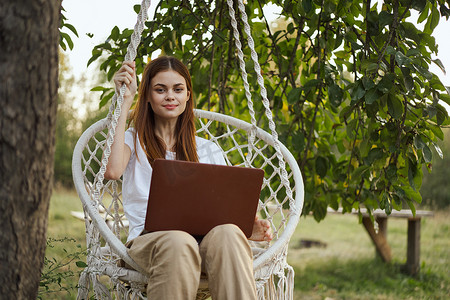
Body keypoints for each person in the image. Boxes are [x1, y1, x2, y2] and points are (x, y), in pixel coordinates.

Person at [105, 56, 272, 299]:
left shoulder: (209, 149)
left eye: (177, 89)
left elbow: (223, 209)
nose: (170, 96)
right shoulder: (133, 140)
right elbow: (111, 171)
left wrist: (244, 227)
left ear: (187, 96)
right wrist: (124, 101)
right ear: (148, 97)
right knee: (179, 241)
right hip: (151, 242)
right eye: (160, 90)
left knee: (229, 234)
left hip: (205, 242)